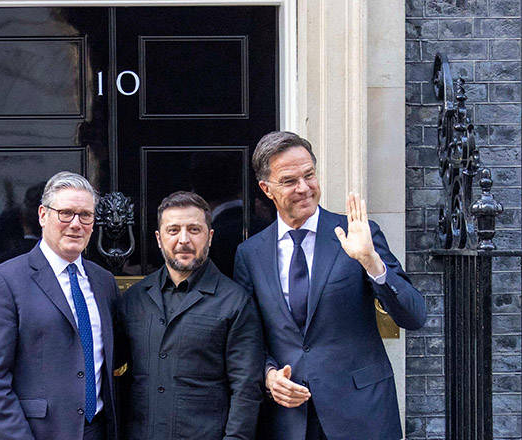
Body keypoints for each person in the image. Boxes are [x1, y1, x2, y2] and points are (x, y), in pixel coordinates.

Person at [233, 131, 427, 440]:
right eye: (289, 181)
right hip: (290, 419)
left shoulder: (358, 234)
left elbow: (414, 316)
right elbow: (247, 336)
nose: (304, 188)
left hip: (362, 413)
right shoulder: (250, 254)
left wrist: (371, 262)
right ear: (265, 188)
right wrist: (269, 375)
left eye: (309, 175)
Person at [0, 171, 120, 440]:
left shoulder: (104, 282)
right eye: (65, 213)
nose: (76, 224)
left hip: (95, 431)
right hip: (32, 433)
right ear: (42, 215)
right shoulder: (4, 281)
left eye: (85, 215)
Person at [116, 191, 264, 439]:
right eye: (173, 230)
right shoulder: (135, 298)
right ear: (159, 239)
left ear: (210, 237)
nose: (183, 240)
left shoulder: (235, 302)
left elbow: (246, 388)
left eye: (194, 230)